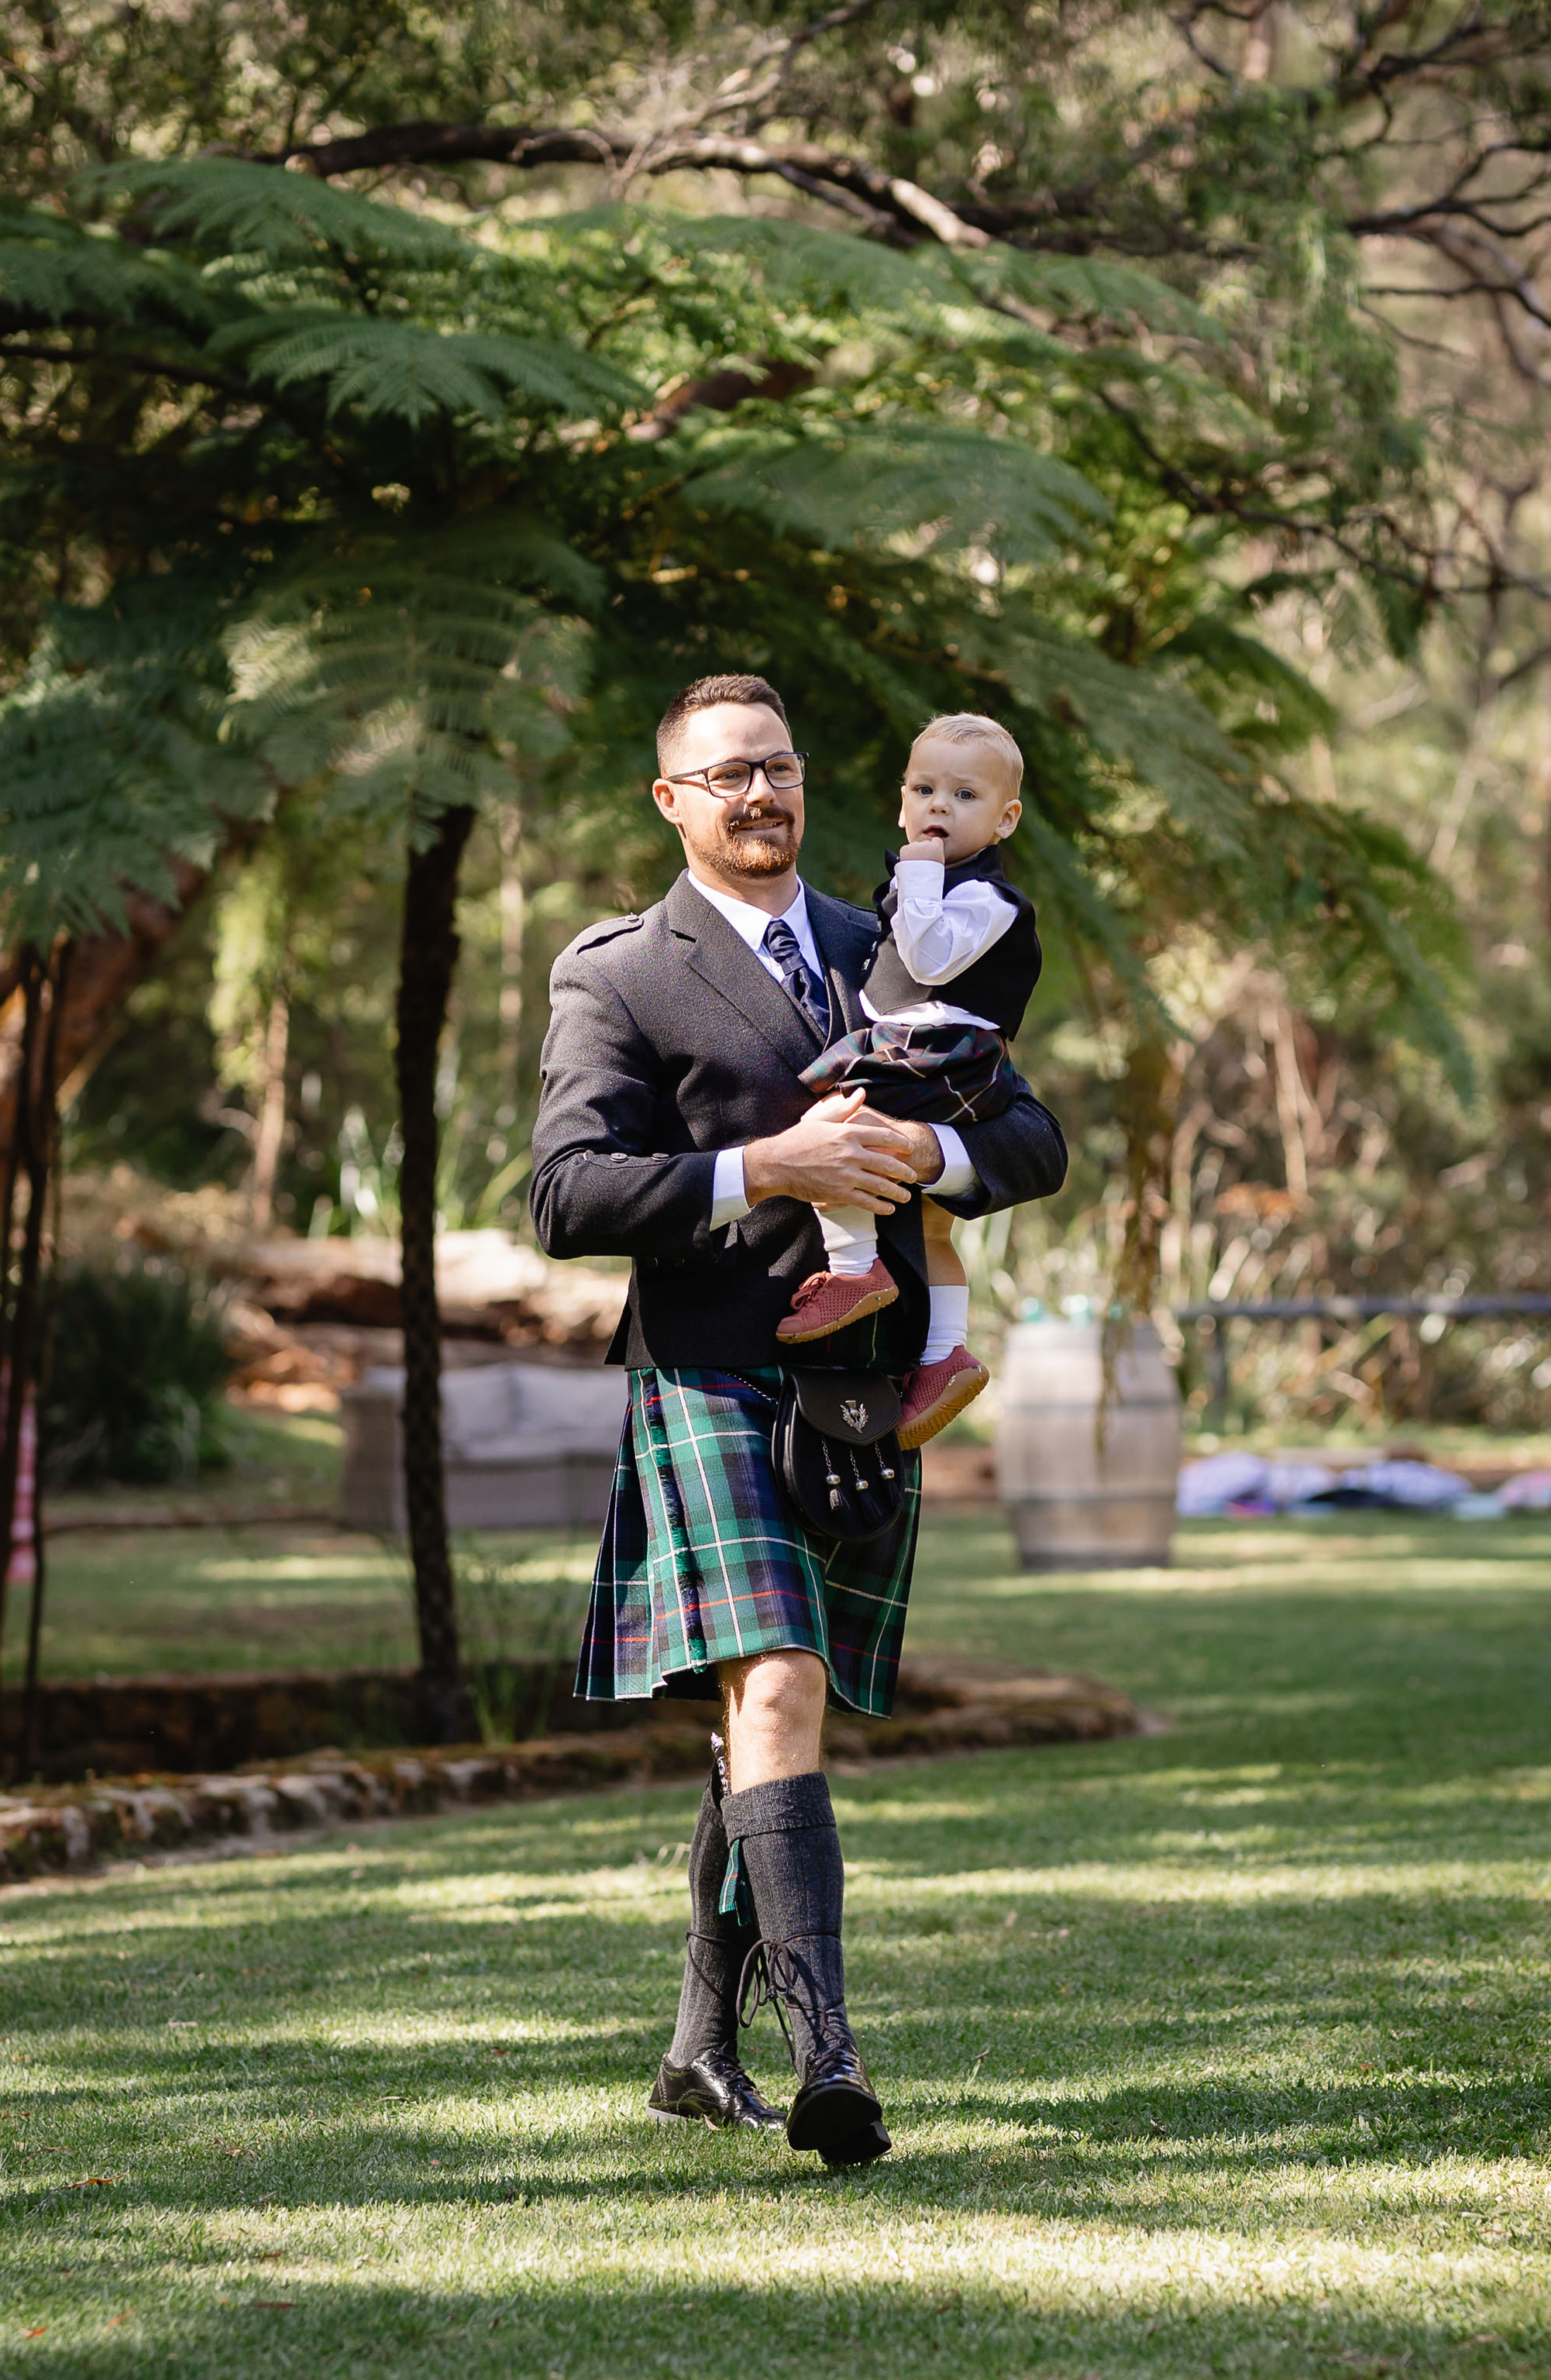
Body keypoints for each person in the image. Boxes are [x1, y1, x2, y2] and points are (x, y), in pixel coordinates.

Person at [531, 672, 1066, 2168]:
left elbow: (1032, 1138)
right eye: (725, 774)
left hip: (864, 1389)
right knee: (774, 1683)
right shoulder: (618, 973)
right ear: (671, 800)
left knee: (760, 1713)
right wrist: (769, 1167)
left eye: (774, 765)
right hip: (707, 1369)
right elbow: (567, 1192)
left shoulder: (889, 938)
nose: (757, 792)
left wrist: (930, 1157)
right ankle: (829, 2057)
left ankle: (698, 2049)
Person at [773, 713, 1040, 1451]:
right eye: (924, 790)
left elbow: (925, 958)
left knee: (836, 1125)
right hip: (932, 1047)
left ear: (1005, 820)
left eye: (964, 795)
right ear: (901, 803)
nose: (939, 807)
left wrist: (916, 873)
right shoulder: (924, 888)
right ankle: (945, 1354)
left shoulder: (985, 898)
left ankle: (854, 1269)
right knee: (931, 1226)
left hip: (942, 1049)